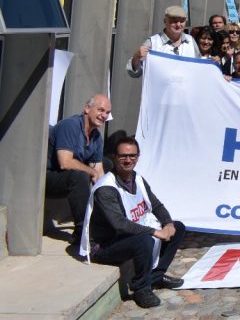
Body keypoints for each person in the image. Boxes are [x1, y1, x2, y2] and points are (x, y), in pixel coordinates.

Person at [81, 137, 186, 309]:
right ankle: (141, 288)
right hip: (104, 246)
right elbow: (119, 224)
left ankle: (156, 277)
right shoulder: (106, 188)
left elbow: (156, 205)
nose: (128, 160)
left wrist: (168, 224)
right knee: (144, 239)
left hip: (125, 236)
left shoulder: (137, 179)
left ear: (138, 157)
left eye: (132, 156)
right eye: (123, 156)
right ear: (115, 157)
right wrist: (154, 231)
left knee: (178, 227)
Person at [46, 94, 111, 244]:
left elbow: (99, 172)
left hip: (68, 176)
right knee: (80, 175)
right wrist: (91, 172)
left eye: (107, 112)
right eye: (101, 110)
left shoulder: (96, 137)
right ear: (87, 108)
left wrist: (108, 204)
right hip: (47, 178)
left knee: (107, 164)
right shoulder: (70, 125)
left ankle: (100, 220)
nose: (104, 115)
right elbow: (65, 162)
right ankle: (84, 231)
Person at [127, 5, 198, 77]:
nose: (178, 24)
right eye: (174, 21)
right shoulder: (153, 42)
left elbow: (199, 67)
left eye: (182, 21)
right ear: (165, 21)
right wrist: (136, 57)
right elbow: (134, 73)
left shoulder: (191, 41)